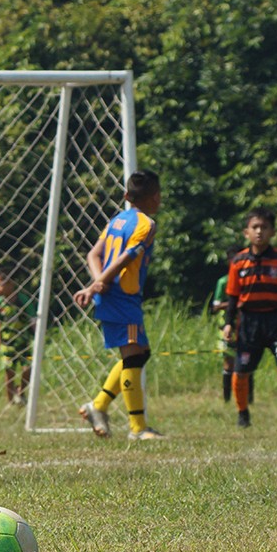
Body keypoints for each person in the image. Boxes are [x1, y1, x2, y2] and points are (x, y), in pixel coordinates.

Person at [73, 171, 165, 441]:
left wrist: (97, 281)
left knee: (138, 354)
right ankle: (138, 428)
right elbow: (125, 258)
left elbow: (94, 254)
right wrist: (96, 284)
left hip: (111, 293)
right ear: (157, 197)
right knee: (134, 357)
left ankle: (98, 405)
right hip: (122, 296)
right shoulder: (146, 224)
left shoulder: (117, 219)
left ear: (126, 197)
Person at [221, 207, 277, 428]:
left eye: (264, 227)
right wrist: (228, 324)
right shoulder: (239, 262)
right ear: (246, 232)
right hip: (249, 324)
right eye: (255, 227)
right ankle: (242, 413)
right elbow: (232, 297)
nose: (259, 231)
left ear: (272, 232)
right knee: (241, 373)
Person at [212, 244, 250, 404]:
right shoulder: (223, 282)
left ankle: (249, 399)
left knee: (247, 361)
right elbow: (215, 306)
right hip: (227, 327)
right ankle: (227, 398)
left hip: (247, 325)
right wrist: (234, 304)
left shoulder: (249, 277)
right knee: (228, 362)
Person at [0, 268, 36, 406]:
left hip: (23, 341)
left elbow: (33, 319)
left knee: (27, 368)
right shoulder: (0, 302)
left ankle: (21, 392)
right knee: (9, 372)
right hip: (7, 343)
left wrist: (36, 335)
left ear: (10, 284)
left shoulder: (22, 300)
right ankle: (10, 401)